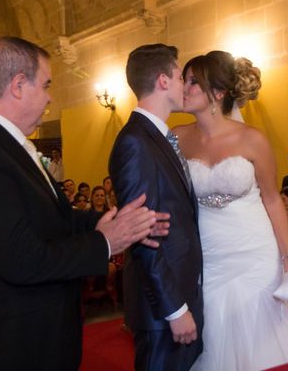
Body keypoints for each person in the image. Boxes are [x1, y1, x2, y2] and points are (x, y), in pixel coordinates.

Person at [0, 36, 166, 371]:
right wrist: (105, 241)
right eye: (45, 85)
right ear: (18, 85)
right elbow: (22, 260)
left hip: (42, 335)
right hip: (15, 345)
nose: (49, 97)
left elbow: (52, 217)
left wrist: (114, 221)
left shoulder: (2, 146)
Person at [175, 50, 288, 370]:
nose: (184, 88)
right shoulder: (177, 138)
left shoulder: (252, 139)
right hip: (209, 253)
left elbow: (271, 199)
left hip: (254, 248)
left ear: (218, 93)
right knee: (216, 329)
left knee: (261, 330)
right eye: (184, 80)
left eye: (193, 82)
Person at [109, 43, 203, 371]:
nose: (184, 86)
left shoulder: (157, 137)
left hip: (177, 291)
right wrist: (175, 309)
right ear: (163, 81)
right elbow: (144, 239)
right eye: (180, 77)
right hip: (162, 309)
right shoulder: (135, 142)